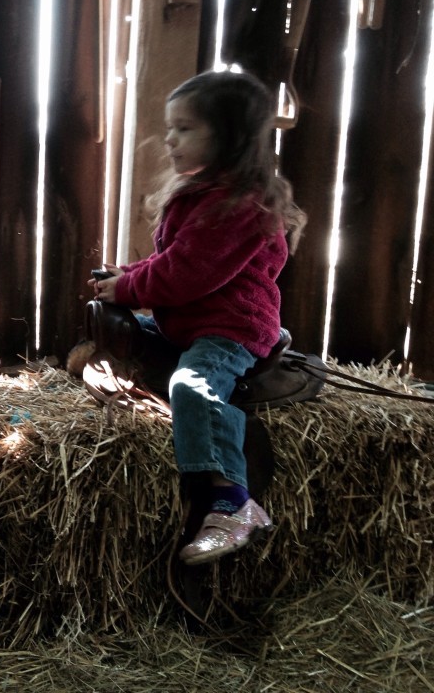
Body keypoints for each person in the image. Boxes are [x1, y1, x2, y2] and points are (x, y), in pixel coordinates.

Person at [88, 70, 306, 565]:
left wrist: (128, 286)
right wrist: (126, 275)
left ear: (227, 137)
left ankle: (229, 503)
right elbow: (169, 261)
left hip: (228, 329)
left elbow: (187, 274)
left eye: (185, 128)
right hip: (188, 323)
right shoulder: (201, 194)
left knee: (192, 386)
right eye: (171, 127)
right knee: (114, 339)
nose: (170, 139)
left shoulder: (240, 206)